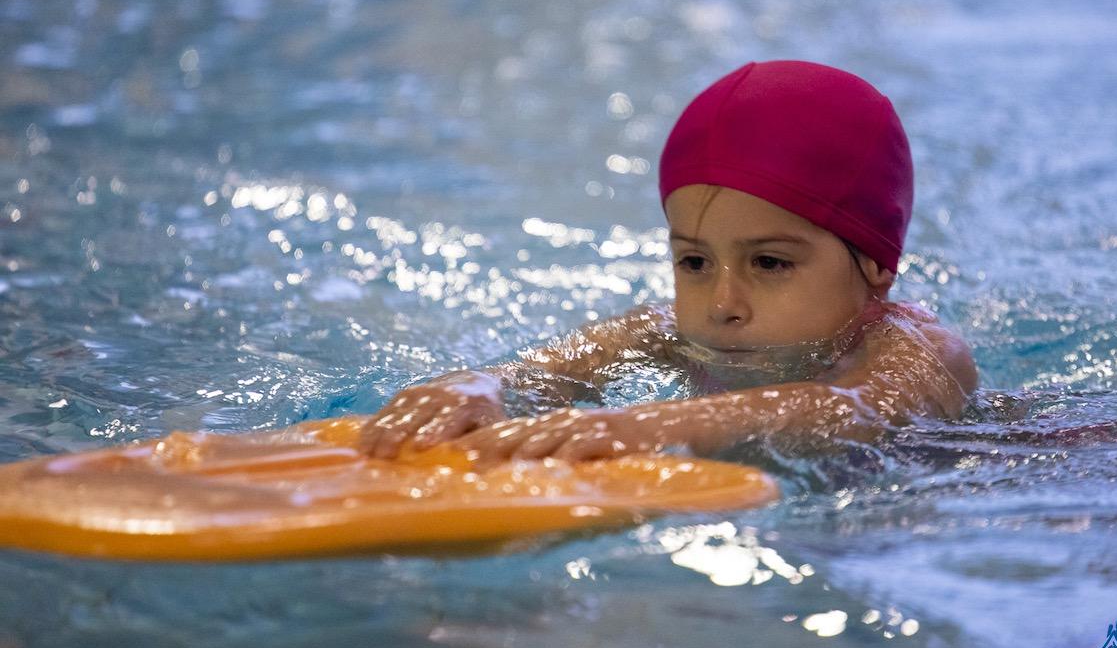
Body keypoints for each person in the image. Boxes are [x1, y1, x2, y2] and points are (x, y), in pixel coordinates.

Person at [359, 60, 978, 466]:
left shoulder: (918, 350)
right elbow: (542, 372)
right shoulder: (665, 332)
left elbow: (859, 410)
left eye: (769, 263)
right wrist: (479, 386)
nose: (722, 304)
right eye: (695, 262)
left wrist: (644, 427)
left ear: (874, 264)